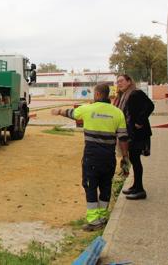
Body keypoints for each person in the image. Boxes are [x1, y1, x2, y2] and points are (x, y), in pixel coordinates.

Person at [51, 83, 129, 231]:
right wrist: (125, 157)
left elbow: (71, 113)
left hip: (92, 157)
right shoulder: (117, 112)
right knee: (106, 185)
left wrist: (58, 111)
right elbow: (123, 138)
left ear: (98, 94)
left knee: (90, 186)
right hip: (108, 157)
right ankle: (103, 216)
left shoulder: (88, 109)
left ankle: (94, 221)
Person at [114, 74, 154, 200]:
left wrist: (139, 122)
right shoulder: (124, 95)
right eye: (117, 82)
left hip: (138, 134)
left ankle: (140, 190)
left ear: (129, 81)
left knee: (136, 161)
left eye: (121, 81)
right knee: (134, 160)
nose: (119, 84)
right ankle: (135, 186)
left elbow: (150, 106)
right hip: (131, 133)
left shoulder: (136, 93)